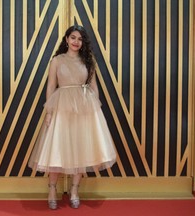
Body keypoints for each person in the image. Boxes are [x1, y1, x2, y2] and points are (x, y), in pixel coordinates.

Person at [28, 25, 117, 210]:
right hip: (62, 108)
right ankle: (52, 189)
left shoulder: (88, 60)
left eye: (80, 39)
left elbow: (94, 87)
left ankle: (75, 190)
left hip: (84, 109)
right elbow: (51, 87)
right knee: (57, 150)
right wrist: (49, 112)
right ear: (67, 39)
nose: (76, 41)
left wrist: (96, 113)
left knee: (82, 149)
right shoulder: (57, 61)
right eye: (73, 37)